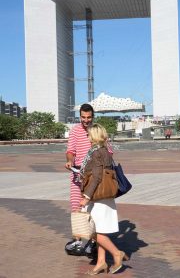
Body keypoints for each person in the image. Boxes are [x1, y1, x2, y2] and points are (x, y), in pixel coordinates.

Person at [80, 123, 128, 275]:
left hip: (97, 197)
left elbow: (96, 177)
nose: (87, 137)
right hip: (106, 195)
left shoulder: (95, 152)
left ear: (94, 136)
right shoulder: (105, 150)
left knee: (93, 231)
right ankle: (101, 262)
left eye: (89, 134)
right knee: (101, 230)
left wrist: (86, 197)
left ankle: (116, 253)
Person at [65, 104, 113, 257]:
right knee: (76, 207)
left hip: (93, 176)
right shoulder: (75, 131)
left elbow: (109, 151)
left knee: (93, 209)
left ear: (93, 116)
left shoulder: (98, 131)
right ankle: (78, 241)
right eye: (83, 117)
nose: (86, 120)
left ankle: (93, 243)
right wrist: (70, 161)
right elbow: (70, 150)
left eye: (89, 117)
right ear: (79, 116)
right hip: (77, 174)